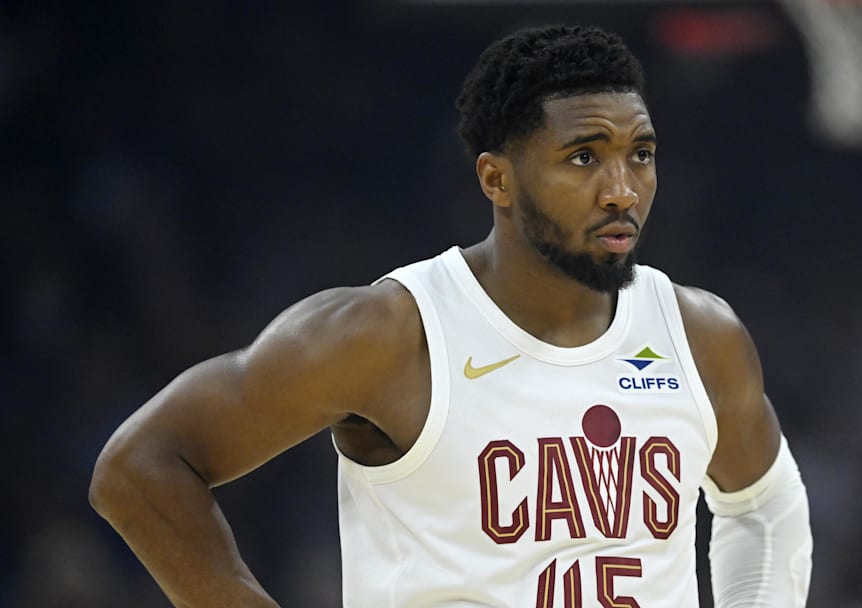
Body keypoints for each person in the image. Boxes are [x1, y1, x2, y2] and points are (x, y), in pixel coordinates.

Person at [89, 24, 812, 607]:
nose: (623, 189)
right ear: (497, 178)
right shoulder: (387, 332)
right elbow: (140, 466)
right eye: (585, 157)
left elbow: (766, 503)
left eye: (641, 154)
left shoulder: (700, 334)